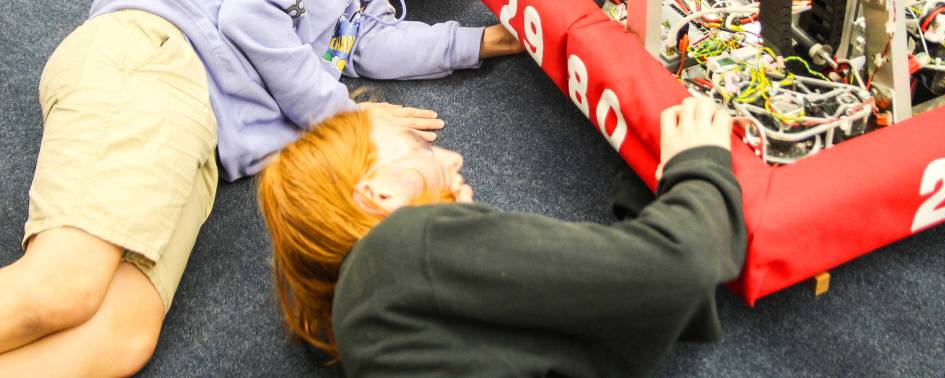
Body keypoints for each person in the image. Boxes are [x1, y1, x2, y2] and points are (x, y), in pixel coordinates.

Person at [0, 0, 522, 376]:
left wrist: (490, 41)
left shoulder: (350, 6)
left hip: (202, 131)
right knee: (63, 286)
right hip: (162, 57)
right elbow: (253, 16)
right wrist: (345, 119)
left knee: (123, 333)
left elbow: (379, 45)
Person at [258, 96, 747, 376]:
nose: (453, 159)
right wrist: (699, 165)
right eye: (417, 148)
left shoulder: (371, 318)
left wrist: (642, 190)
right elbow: (676, 271)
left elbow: (604, 322)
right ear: (378, 194)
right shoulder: (404, 246)